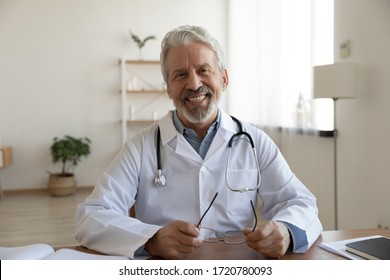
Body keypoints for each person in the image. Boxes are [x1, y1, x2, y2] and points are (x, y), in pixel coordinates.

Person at [75, 25, 322, 259]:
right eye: (180, 75)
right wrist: (151, 239)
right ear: (169, 89)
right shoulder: (140, 148)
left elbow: (301, 203)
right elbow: (91, 217)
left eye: (204, 70)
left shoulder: (255, 141)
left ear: (224, 79)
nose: (193, 84)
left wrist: (287, 231)